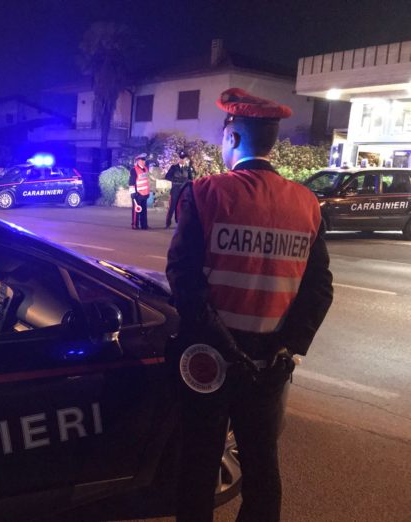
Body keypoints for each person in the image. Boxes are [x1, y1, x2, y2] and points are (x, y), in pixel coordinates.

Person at [166, 88, 333, 522]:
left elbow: (184, 280)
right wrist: (287, 348)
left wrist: (224, 346)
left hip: (211, 361)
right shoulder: (307, 203)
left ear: (233, 138)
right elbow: (319, 290)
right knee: (261, 470)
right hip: (269, 364)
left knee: (197, 469)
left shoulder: (205, 193)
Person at [164, 150, 195, 228]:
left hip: (184, 190)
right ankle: (168, 223)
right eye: (181, 158)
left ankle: (178, 222)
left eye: (183, 158)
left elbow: (191, 179)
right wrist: (175, 180)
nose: (182, 160)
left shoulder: (187, 168)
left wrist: (187, 182)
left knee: (182, 207)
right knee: (172, 206)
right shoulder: (174, 167)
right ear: (178, 159)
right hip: (175, 189)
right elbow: (167, 176)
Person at [129, 153, 151, 229]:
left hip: (145, 194)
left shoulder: (145, 169)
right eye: (142, 160)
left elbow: (146, 181)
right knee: (136, 210)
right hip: (137, 194)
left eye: (144, 160)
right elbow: (131, 182)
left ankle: (144, 225)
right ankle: (135, 224)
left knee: (144, 211)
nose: (143, 162)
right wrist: (133, 193)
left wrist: (148, 192)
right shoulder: (134, 170)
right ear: (138, 161)